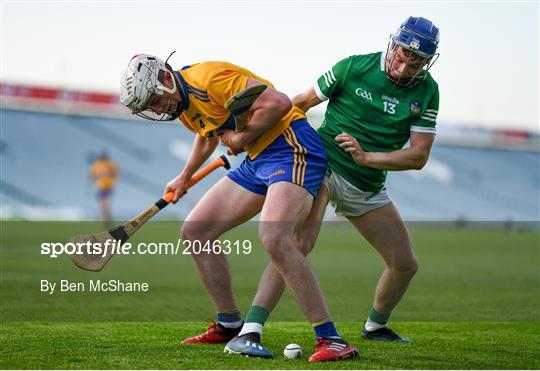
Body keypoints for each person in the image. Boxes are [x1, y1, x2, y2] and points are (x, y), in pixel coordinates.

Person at [120, 56, 358, 362]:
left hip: (292, 148)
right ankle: (229, 323)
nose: (156, 109)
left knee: (274, 237)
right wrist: (184, 176)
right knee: (196, 231)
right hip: (258, 159)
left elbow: (279, 103)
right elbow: (207, 134)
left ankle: (331, 338)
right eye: (149, 108)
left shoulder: (209, 80)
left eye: (154, 100)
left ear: (165, 79)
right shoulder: (181, 104)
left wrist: (241, 137)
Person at [237, 16, 440, 344]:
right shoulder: (352, 67)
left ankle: (375, 326)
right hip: (324, 165)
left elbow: (418, 156)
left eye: (415, 63)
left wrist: (367, 159)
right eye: (402, 56)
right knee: (299, 243)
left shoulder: (428, 91)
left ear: (428, 62)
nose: (404, 69)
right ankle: (251, 329)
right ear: (393, 44)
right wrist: (257, 137)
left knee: (405, 264)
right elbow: (299, 104)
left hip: (368, 183)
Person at [89, 151, 118, 227]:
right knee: (103, 204)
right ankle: (106, 219)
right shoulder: (96, 165)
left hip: (107, 186)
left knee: (105, 204)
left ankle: (107, 219)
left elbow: (115, 174)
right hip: (100, 187)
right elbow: (92, 176)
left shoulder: (110, 165)